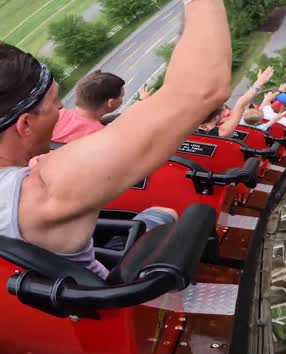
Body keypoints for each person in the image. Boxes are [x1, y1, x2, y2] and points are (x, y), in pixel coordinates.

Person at [0, 0, 232, 279]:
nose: (62, 108)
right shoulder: (45, 188)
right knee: (164, 212)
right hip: (102, 307)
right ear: (25, 124)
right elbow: (204, 90)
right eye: (53, 102)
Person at [198, 67, 275, 137]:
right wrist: (259, 82)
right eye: (224, 111)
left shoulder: (189, 130)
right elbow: (241, 103)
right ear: (217, 117)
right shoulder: (222, 132)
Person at [52, 70, 125, 143]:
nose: (122, 99)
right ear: (110, 103)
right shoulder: (100, 137)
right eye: (121, 96)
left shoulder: (56, 116)